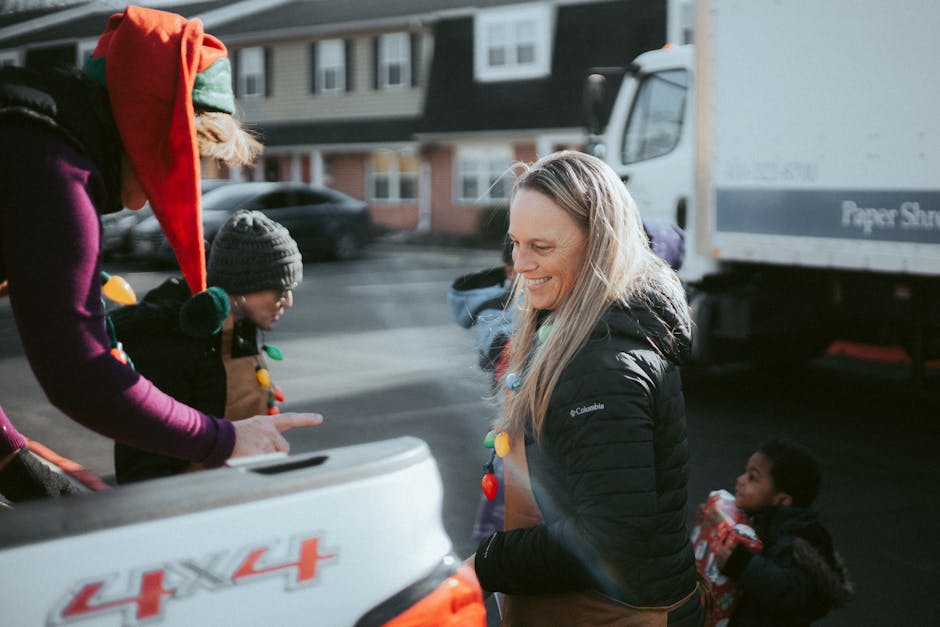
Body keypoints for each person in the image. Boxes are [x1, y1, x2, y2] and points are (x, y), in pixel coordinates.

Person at [0, 6, 321, 502]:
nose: (169, 189)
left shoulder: (33, 134)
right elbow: (79, 371)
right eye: (187, 161)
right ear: (153, 129)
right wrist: (220, 440)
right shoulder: (55, 171)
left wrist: (17, 464)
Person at [467, 151, 702, 625]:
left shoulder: (602, 365)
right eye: (515, 243)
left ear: (598, 246)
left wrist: (487, 562)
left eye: (541, 246)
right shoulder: (568, 325)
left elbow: (609, 540)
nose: (520, 264)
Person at [112, 210, 303, 484]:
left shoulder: (241, 322)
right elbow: (143, 466)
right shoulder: (169, 342)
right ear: (244, 285)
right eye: (280, 290)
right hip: (194, 502)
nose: (288, 301)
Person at [715, 439, 853, 626]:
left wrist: (742, 565)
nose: (740, 479)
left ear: (781, 500)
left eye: (752, 477)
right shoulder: (755, 519)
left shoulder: (800, 540)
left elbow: (793, 594)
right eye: (745, 472)